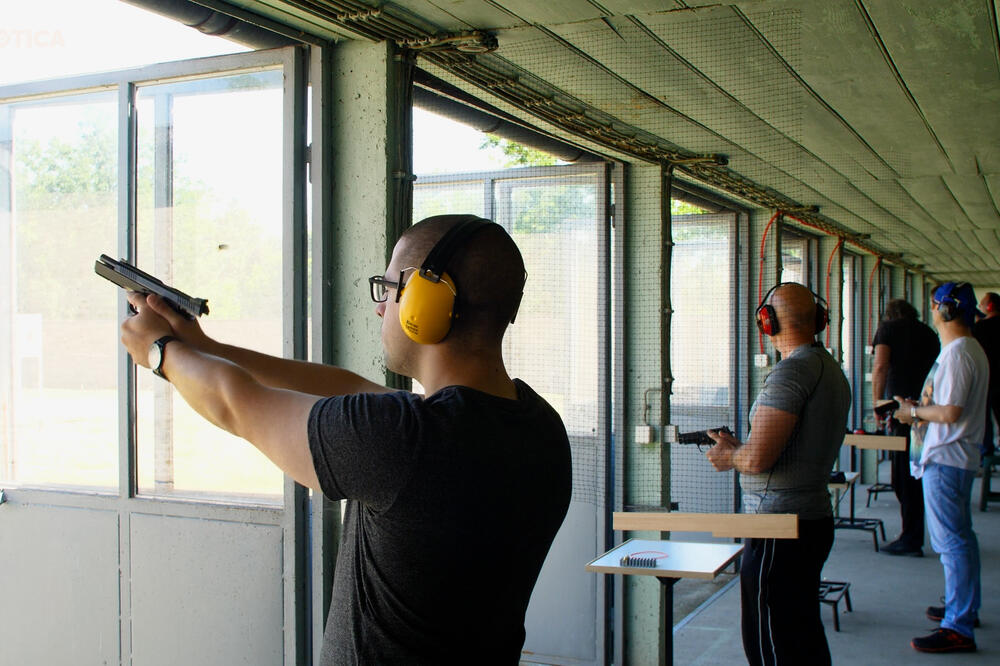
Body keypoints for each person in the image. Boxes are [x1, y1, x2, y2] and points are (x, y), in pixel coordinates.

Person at [119, 214, 573, 665]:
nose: (380, 307)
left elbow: (235, 403)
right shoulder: (539, 429)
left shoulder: (404, 439)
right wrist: (206, 348)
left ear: (427, 299)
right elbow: (348, 388)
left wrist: (161, 353)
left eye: (389, 289)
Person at [705, 282, 850, 666]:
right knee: (802, 636)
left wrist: (731, 456)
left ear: (766, 322)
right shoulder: (829, 370)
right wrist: (742, 449)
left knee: (771, 645)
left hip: (777, 530)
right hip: (811, 520)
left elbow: (757, 460)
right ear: (819, 319)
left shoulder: (791, 373)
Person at [894, 281, 988, 654]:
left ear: (945, 309)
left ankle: (958, 627)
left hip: (947, 458)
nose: (932, 310)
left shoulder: (959, 353)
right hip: (952, 458)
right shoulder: (962, 350)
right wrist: (917, 407)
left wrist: (912, 412)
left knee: (951, 544)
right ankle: (962, 608)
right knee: (960, 539)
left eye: (935, 304)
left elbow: (950, 413)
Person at [871, 299, 939, 556]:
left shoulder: (887, 330)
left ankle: (911, 538)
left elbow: (880, 366)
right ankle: (913, 533)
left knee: (903, 475)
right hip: (926, 408)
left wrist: (877, 404)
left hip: (902, 410)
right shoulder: (929, 333)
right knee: (914, 471)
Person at [973, 291, 1000, 458]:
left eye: (982, 303)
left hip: (987, 377)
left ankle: (986, 452)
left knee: (984, 416)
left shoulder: (980, 327)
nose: (979, 306)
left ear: (990, 306)